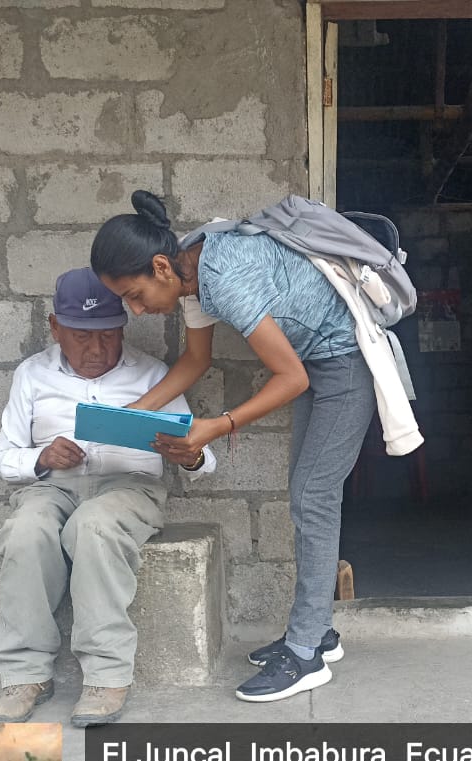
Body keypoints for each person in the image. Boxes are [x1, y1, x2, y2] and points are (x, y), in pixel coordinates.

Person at [89, 191, 373, 703]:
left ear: (160, 267)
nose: (136, 310)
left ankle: (306, 655)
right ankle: (317, 632)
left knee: (313, 498)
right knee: (306, 496)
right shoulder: (190, 271)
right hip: (318, 363)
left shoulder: (222, 277)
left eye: (135, 295)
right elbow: (195, 361)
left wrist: (216, 426)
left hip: (346, 364)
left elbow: (291, 379)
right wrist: (134, 413)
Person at [0, 267, 215, 727]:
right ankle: (24, 675)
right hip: (52, 487)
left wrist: (188, 455)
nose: (97, 350)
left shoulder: (151, 374)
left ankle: (106, 676)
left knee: (94, 525)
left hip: (129, 488)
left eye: (108, 336)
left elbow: (203, 460)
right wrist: (41, 457)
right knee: (26, 531)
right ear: (55, 327)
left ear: (123, 326)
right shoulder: (32, 375)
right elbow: (2, 459)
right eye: (81, 337)